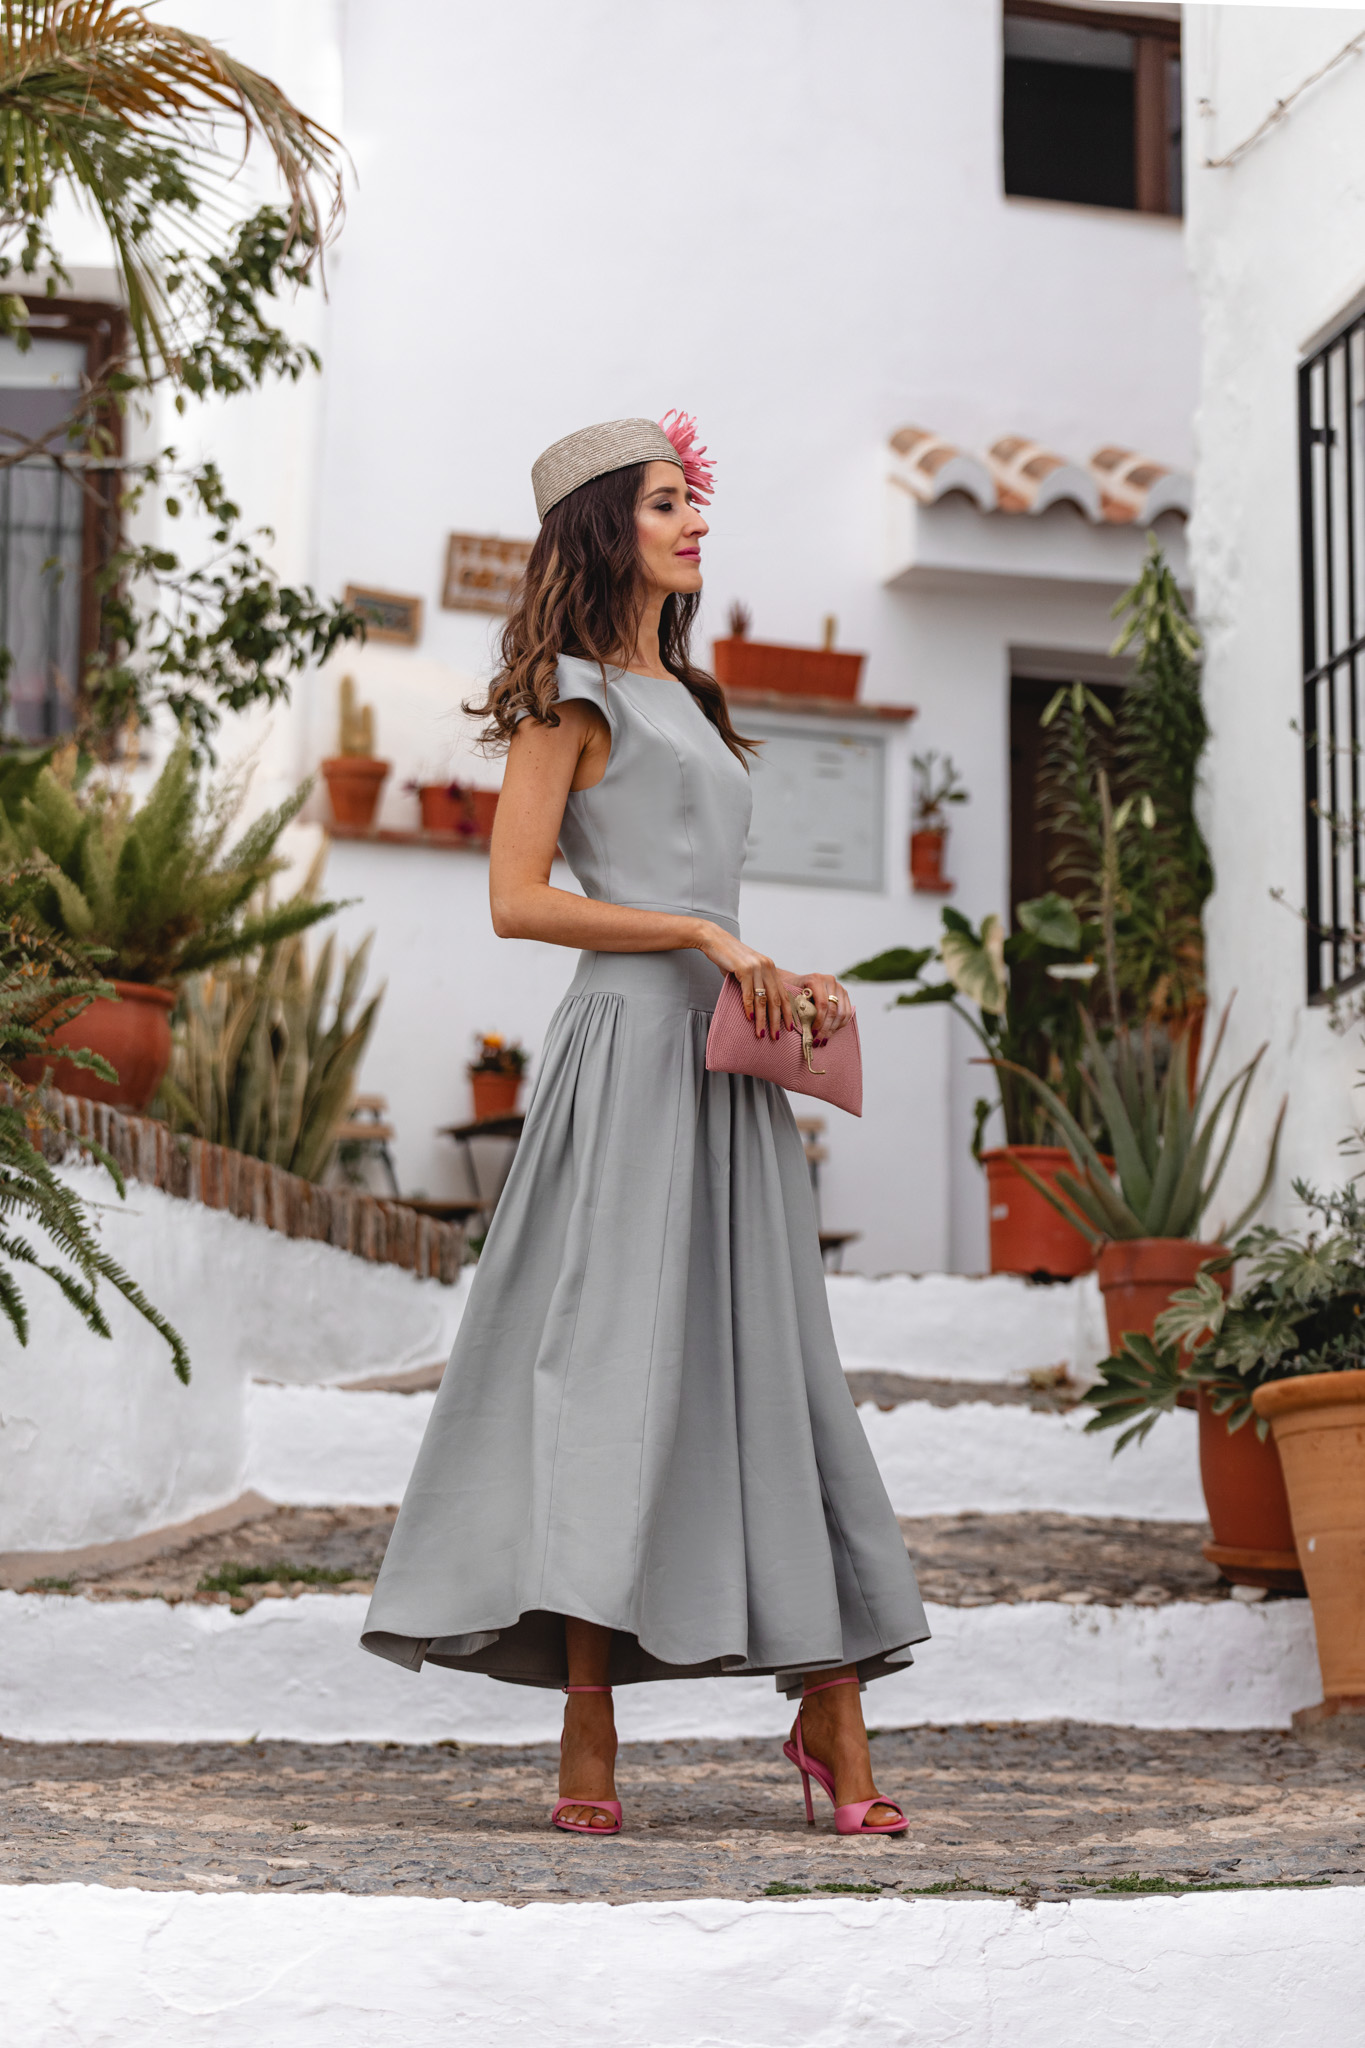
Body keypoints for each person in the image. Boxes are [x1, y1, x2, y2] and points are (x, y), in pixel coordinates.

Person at [362, 414, 928, 1837]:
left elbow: (704, 897)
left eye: (695, 501)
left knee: (773, 1369)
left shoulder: (695, 695)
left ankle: (832, 1710)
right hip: (622, 1060)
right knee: (601, 1374)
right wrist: (695, 931)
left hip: (726, 1062)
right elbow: (519, 899)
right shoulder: (562, 699)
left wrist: (766, 966)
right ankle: (588, 1723)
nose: (695, 522)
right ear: (606, 526)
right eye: (667, 503)